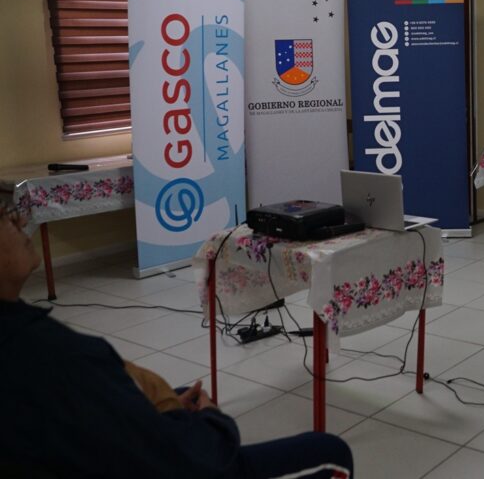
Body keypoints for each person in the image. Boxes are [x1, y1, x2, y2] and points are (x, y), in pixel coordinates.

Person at [0, 201, 354, 478]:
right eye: (4, 216)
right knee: (332, 453)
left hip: (111, 444)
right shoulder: (56, 358)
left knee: (181, 390)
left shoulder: (33, 341)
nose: (20, 220)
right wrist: (213, 420)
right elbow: (198, 461)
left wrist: (164, 407)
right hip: (184, 466)